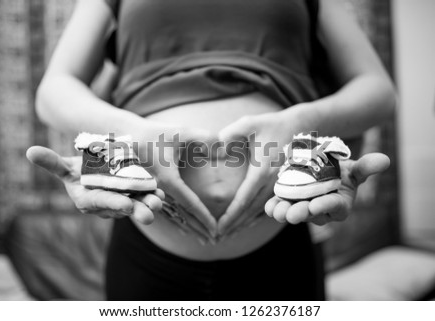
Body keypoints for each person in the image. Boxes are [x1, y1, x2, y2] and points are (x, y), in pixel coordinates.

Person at [29, 0, 396, 300]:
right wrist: (133, 131)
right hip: (146, 242)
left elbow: (378, 91)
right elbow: (54, 90)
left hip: (285, 236)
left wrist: (299, 123)